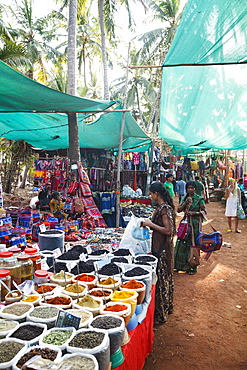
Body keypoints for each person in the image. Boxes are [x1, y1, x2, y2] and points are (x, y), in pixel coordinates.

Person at [142, 181, 176, 324]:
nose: (150, 196)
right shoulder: (162, 208)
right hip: (161, 247)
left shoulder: (164, 209)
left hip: (162, 249)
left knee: (162, 281)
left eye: (151, 193)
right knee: (164, 279)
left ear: (156, 194)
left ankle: (161, 315)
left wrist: (150, 225)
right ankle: (166, 309)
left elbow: (168, 231)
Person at [174, 181, 206, 275]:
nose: (190, 189)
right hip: (185, 224)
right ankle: (179, 265)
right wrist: (185, 203)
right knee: (182, 242)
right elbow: (179, 209)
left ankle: (192, 267)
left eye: (192, 188)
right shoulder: (184, 197)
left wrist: (194, 213)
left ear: (195, 189)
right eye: (189, 188)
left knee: (192, 244)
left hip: (195, 224)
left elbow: (204, 211)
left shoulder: (199, 199)